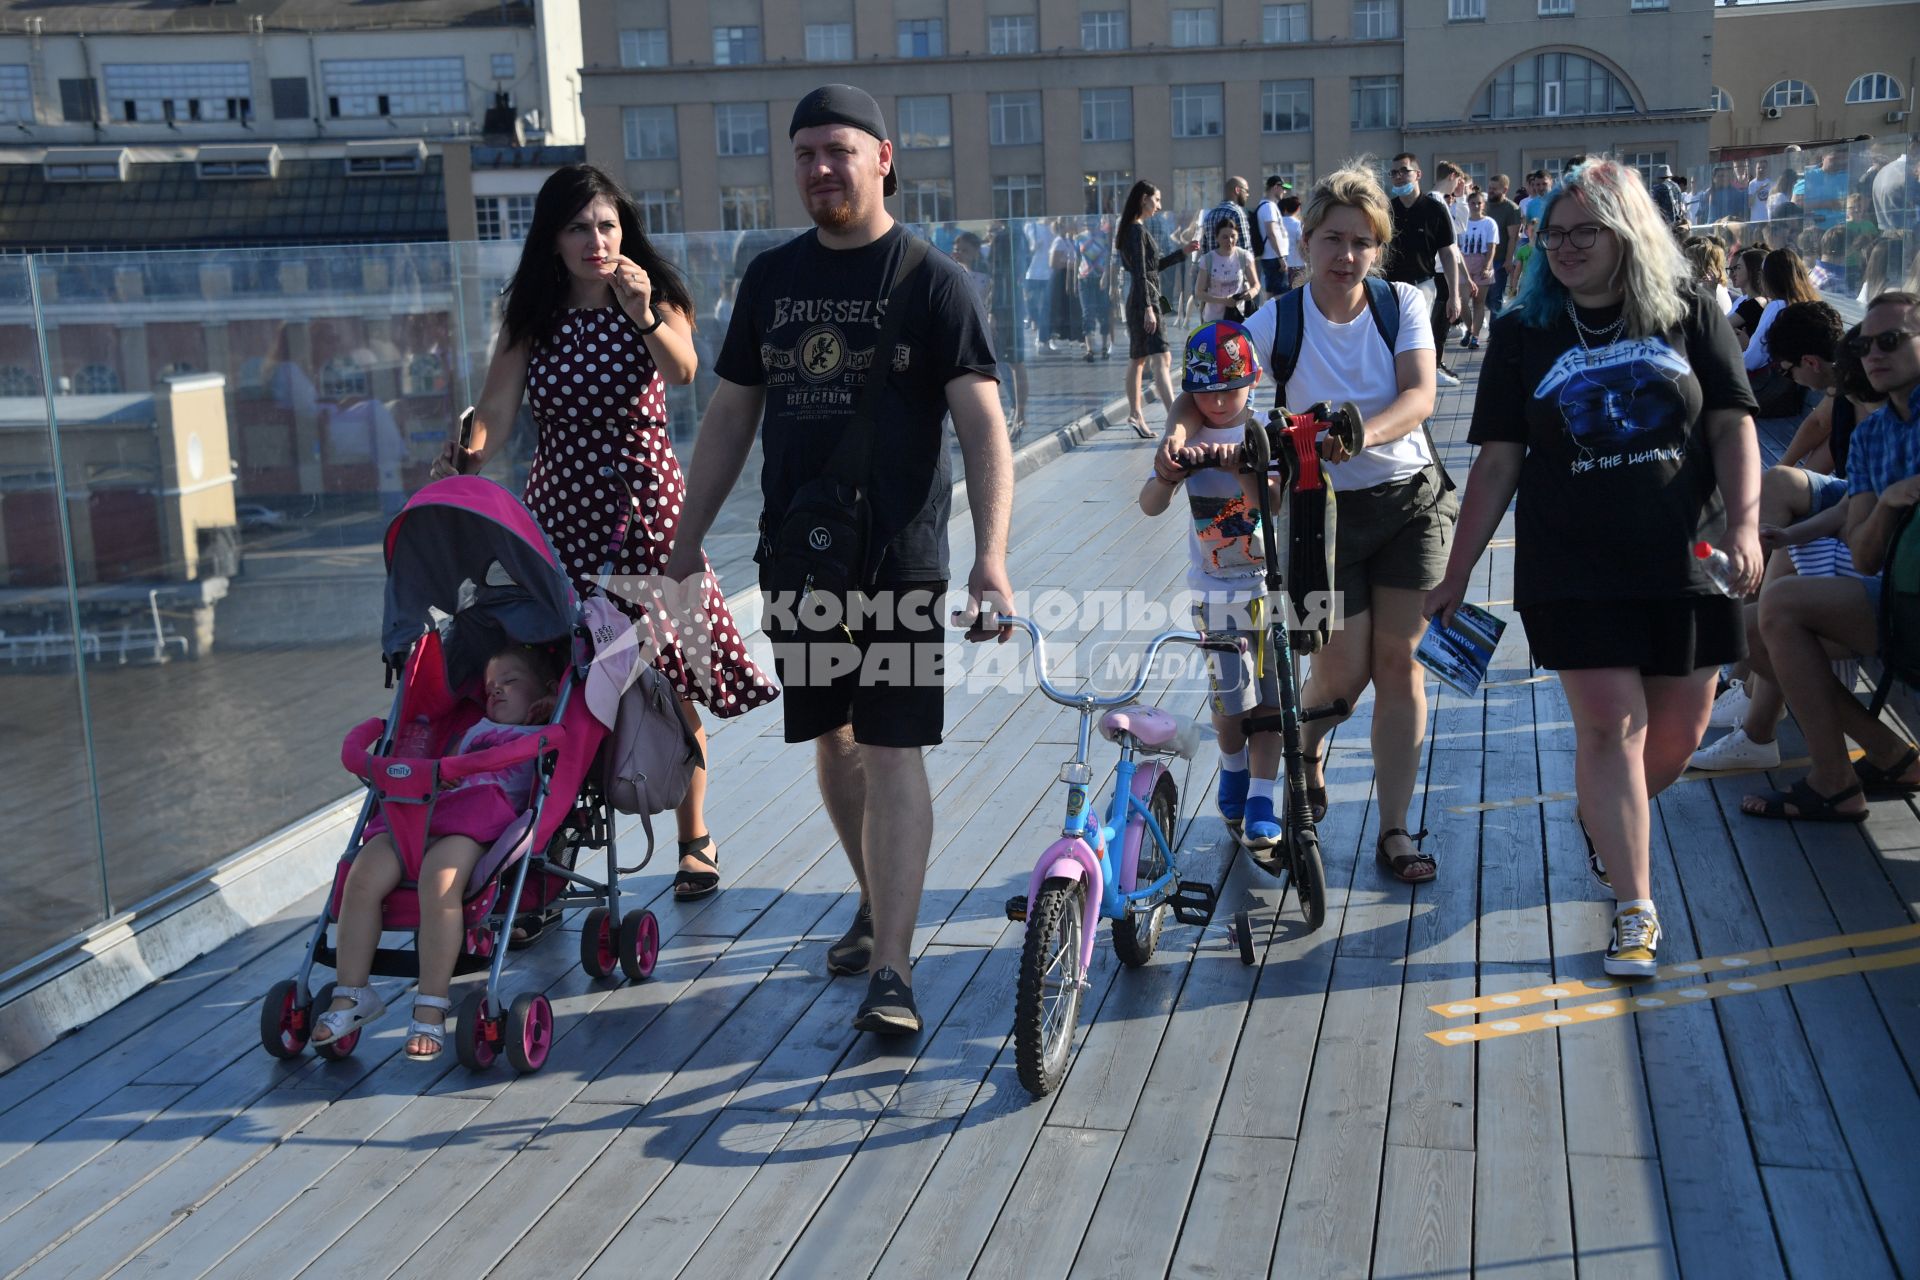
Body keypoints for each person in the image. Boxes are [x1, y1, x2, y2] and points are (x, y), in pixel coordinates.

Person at [663, 84, 1015, 1035]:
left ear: (883, 157)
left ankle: (893, 970)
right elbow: (730, 413)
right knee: (833, 736)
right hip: (799, 559)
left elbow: (983, 424)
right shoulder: (771, 279)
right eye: (807, 153)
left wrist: (992, 558)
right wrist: (685, 542)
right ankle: (875, 900)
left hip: (900, 560)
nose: (821, 168)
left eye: (839, 151)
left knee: (893, 748)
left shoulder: (936, 280)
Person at [1428, 156, 1762, 978]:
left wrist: (1750, 526)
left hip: (1690, 553)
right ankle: (1636, 907)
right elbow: (1499, 463)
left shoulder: (1688, 310)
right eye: (1554, 234)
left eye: (1587, 232)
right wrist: (1458, 572)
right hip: (1570, 561)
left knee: (1677, 740)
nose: (1567, 248)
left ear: (1628, 233)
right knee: (1609, 727)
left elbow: (1729, 426)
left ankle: (1606, 818)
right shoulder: (1521, 331)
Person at [431, 163, 776, 910]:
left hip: (646, 506)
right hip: (560, 513)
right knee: (561, 678)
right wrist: (468, 448)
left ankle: (695, 837)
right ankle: (548, 846)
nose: (597, 240)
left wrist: (645, 312)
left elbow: (684, 373)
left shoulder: (652, 292)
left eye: (609, 226)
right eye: (580, 227)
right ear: (552, 239)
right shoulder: (531, 314)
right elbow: (496, 404)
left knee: (670, 667)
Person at [1166, 161, 1453, 883]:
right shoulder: (1277, 320)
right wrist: (1176, 435)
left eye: (1361, 241)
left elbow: (1421, 398)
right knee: (1341, 674)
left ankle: (1393, 830)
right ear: (1305, 242)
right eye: (1331, 238)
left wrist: (1361, 431)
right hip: (1318, 513)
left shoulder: (1401, 306)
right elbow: (1204, 376)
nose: (1345, 255)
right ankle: (1303, 750)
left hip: (1408, 499)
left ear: (1378, 249)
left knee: (1399, 667)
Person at [313, 646, 561, 1058]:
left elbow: (566, 746)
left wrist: (553, 709)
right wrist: (441, 777)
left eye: (510, 682)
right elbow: (450, 762)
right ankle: (352, 993)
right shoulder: (476, 727)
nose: (496, 690)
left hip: (479, 823)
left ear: (546, 689)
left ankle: (430, 1004)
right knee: (361, 877)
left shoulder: (545, 730)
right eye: (489, 687)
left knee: (440, 880)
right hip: (429, 812)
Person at [1737, 295, 1920, 820]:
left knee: (1781, 603)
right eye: (1864, 345)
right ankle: (1871, 759)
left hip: (1906, 600)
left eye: (1891, 341)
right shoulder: (1873, 437)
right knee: (1747, 627)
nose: (1875, 354)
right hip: (1897, 596)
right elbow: (1864, 556)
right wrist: (1886, 506)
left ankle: (1836, 777)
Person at [1694, 307, 1878, 772]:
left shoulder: (1883, 415)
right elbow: (1823, 437)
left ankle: (1756, 715)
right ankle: (1750, 694)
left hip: (1877, 545)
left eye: (1789, 369)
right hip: (1858, 514)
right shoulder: (1865, 404)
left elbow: (1866, 519)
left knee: (1770, 614)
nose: (1788, 377)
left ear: (1812, 363)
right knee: (1779, 493)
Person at [1141, 322, 1287, 847]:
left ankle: (1263, 796)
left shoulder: (1267, 431)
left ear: (1254, 382)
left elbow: (1270, 505)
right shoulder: (1188, 432)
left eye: (1232, 387)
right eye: (1207, 390)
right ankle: (1232, 766)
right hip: (1214, 592)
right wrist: (1167, 472)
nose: (1220, 400)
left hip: (1269, 592)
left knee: (1270, 700)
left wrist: (1245, 469)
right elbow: (1150, 505)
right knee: (1230, 700)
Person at [1117, 180, 1201, 435]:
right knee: (1161, 358)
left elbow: (1151, 268)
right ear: (1144, 199)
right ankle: (1174, 420)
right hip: (1146, 300)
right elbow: (1142, 272)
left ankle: (1136, 414)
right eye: (1157, 199)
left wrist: (1182, 252)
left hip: (1144, 299)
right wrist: (1148, 308)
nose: (1159, 205)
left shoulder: (1134, 230)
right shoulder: (1135, 231)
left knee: (1139, 359)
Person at [1384, 153, 1469, 387]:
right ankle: (1396, 383)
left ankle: (1423, 381)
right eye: (1394, 173)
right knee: (1391, 340)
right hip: (1390, 287)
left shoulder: (1435, 209)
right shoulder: (1386, 211)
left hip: (1423, 286)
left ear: (1418, 174)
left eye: (1404, 171)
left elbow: (1449, 254)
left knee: (1418, 337)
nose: (1399, 177)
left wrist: (1454, 296)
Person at [1744, 246, 1820, 374]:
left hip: (1778, 384)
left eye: (1762, 274)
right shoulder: (1810, 305)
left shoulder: (1778, 306)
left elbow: (1751, 360)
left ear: (1770, 278)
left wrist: (1744, 346)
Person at [986, 221, 1032, 432]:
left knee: (1003, 362)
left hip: (1003, 307)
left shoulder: (1003, 239)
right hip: (1015, 304)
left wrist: (993, 311)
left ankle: (1014, 414)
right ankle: (1019, 414)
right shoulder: (1019, 236)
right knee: (1016, 362)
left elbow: (997, 277)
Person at [1191, 215, 1260, 323]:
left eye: (1233, 236)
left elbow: (1256, 284)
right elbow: (1199, 292)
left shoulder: (1244, 256)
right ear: (1217, 238)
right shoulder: (1208, 259)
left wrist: (1252, 292)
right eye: (1225, 237)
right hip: (1213, 318)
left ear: (1238, 236)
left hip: (1237, 316)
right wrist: (1224, 301)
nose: (1230, 240)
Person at [1458, 189, 1500, 348]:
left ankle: (1475, 336)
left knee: (1478, 302)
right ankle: (1470, 329)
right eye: (1473, 203)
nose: (1476, 206)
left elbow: (1491, 247)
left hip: (1482, 261)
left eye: (1479, 203)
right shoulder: (1463, 222)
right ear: (1468, 204)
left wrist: (1487, 266)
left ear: (1484, 204)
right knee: (1462, 301)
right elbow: (1458, 246)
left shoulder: (1489, 222)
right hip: (1464, 262)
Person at [1483, 174, 1525, 316]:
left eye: (1494, 189)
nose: (1490, 191)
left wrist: (1508, 260)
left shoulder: (1511, 209)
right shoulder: (1484, 205)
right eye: (1489, 188)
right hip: (1482, 259)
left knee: (1496, 297)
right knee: (1485, 298)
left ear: (1504, 190)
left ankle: (1495, 333)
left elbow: (1513, 237)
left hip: (1499, 259)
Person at [1076, 218, 1115, 362]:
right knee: (1087, 313)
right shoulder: (1079, 237)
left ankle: (1104, 347)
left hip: (1100, 279)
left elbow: (1110, 258)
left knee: (1103, 312)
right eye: (1087, 223)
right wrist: (1074, 279)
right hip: (1084, 279)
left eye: (1093, 223)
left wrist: (1107, 276)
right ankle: (1090, 349)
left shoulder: (1105, 237)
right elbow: (1077, 259)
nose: (1090, 226)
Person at [1254, 176, 1291, 298]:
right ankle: (1278, 316)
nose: (1284, 192)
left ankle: (1272, 316)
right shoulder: (1268, 207)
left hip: (1272, 256)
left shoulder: (1266, 205)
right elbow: (1271, 233)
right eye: (1283, 188)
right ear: (1276, 187)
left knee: (1271, 293)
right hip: (1274, 257)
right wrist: (1281, 258)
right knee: (1281, 294)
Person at [1206, 175, 1254, 264]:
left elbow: (1205, 248)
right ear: (1237, 190)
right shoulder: (1236, 212)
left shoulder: (1210, 215)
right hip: (1234, 271)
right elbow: (1245, 248)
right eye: (1246, 191)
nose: (1248, 195)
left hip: (1214, 271)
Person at [1280, 194, 1308, 290]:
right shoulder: (1297, 224)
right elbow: (1302, 244)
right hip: (1297, 263)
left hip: (1280, 263)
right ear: (1298, 209)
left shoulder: (1278, 222)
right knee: (1297, 292)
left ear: (1286, 208)